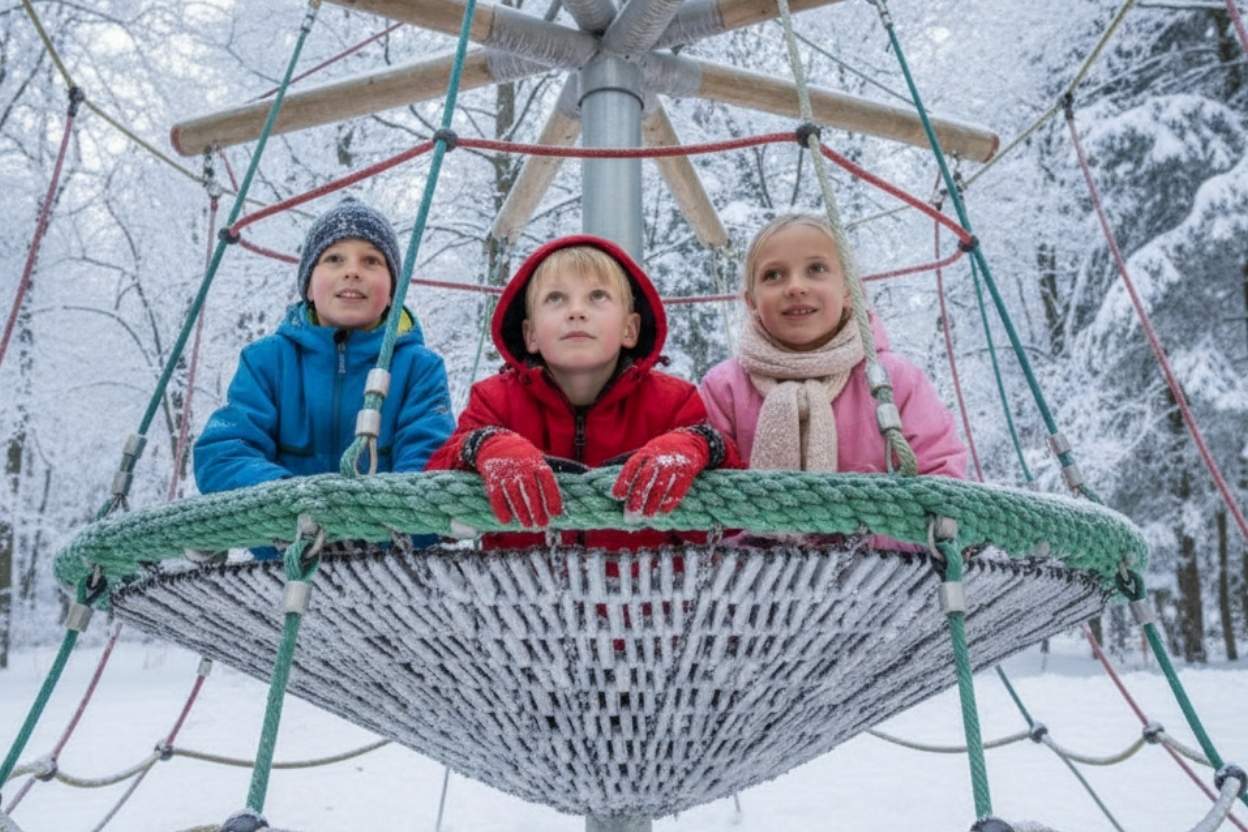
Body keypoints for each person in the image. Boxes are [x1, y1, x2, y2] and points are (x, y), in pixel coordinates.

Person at [425, 234, 741, 549]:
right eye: (556, 298)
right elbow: (435, 499)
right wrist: (482, 446)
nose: (576, 311)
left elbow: (726, 523)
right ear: (531, 334)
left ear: (629, 329)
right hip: (525, 592)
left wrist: (699, 445)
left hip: (645, 592)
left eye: (597, 296)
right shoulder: (495, 401)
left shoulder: (674, 402)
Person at [193, 197, 455, 556]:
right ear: (309, 285)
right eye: (334, 259)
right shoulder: (268, 362)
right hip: (285, 559)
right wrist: (299, 505)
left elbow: (431, 457)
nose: (353, 271)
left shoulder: (417, 367)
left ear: (392, 289)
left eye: (371, 261)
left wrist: (374, 521)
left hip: (391, 565)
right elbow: (222, 452)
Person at [699, 213, 966, 489]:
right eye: (773, 275)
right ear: (751, 301)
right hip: (752, 532)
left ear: (850, 289)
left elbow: (940, 471)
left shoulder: (891, 380)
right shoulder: (725, 388)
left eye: (816, 269)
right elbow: (708, 486)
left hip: (876, 531)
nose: (795, 287)